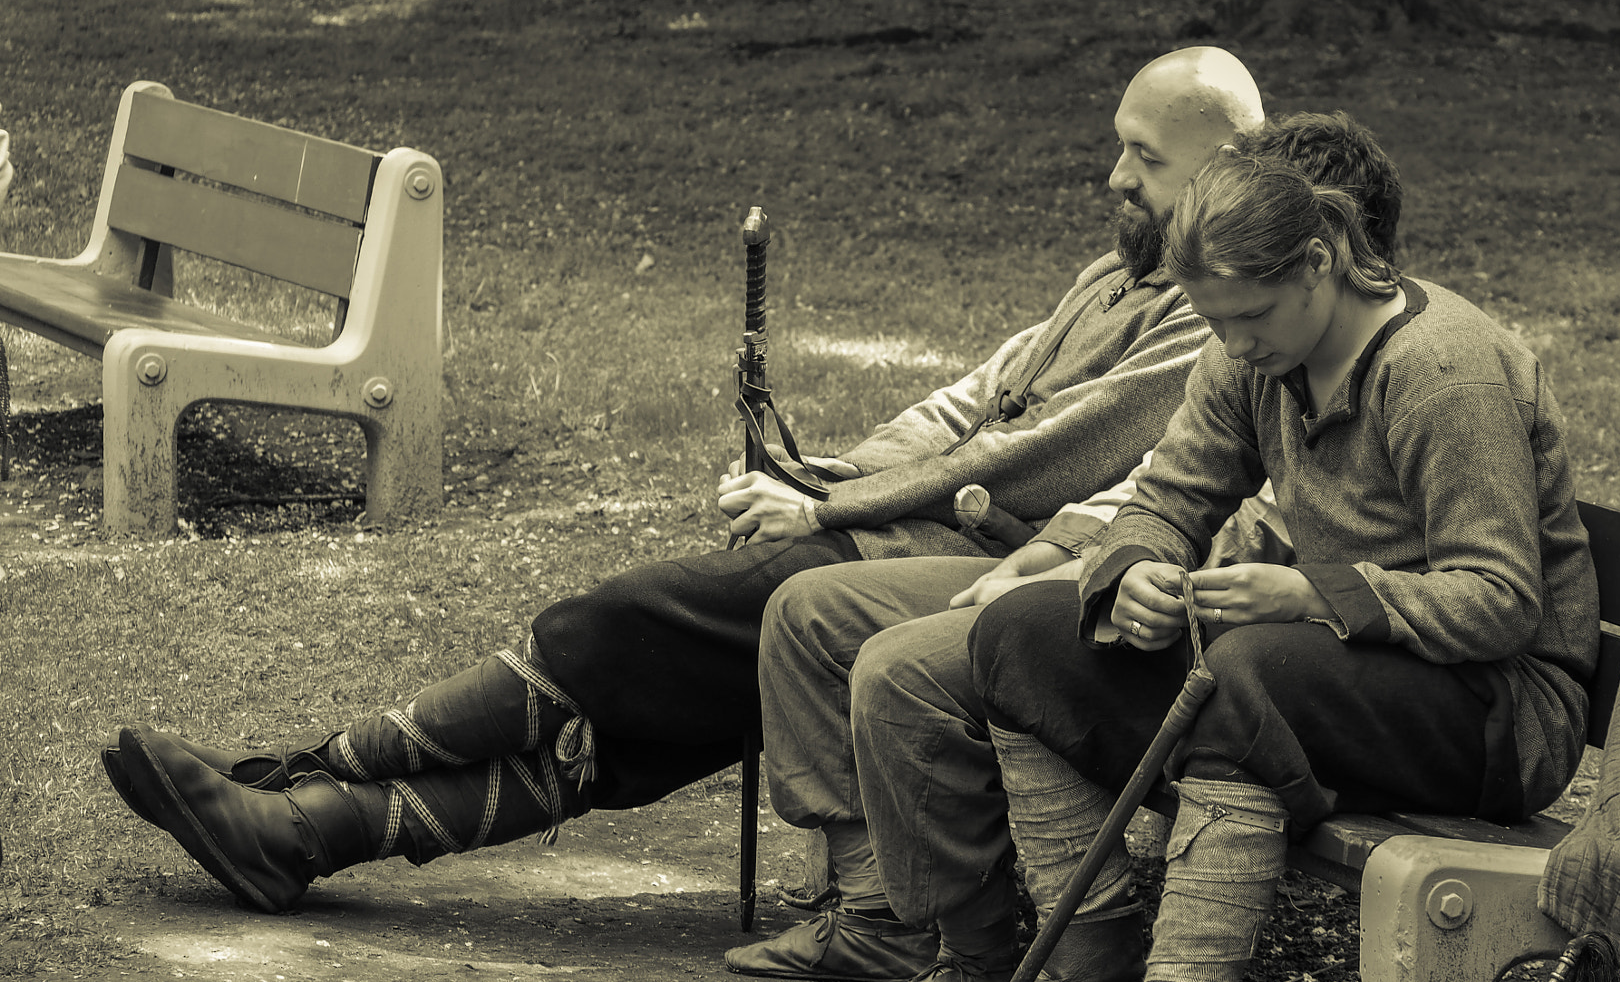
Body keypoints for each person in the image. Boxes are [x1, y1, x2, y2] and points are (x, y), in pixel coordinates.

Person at [100, 46, 1263, 920]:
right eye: (1117, 144)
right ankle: (297, 825)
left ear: (1222, 167)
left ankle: (297, 781)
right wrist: (836, 467)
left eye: (1143, 160)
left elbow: (1039, 453)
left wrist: (823, 506)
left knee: (612, 630)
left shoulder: (1205, 317)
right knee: (651, 722)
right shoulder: (1111, 276)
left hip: (987, 568)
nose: (1113, 176)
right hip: (902, 535)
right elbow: (969, 399)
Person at [863, 124, 1602, 982]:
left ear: (1320, 262)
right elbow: (1159, 502)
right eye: (1215, 319)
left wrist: (1310, 592)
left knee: (1253, 670)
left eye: (1250, 316)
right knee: (1022, 635)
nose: (1235, 342)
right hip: (1327, 686)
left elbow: (1498, 604)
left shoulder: (1444, 372)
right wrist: (1137, 574)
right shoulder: (1245, 353)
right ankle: (1081, 981)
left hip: (1495, 711)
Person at [728, 114, 1395, 982]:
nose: (1118, 177)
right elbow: (1160, 487)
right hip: (1154, 601)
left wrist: (1085, 559)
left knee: (951, 656)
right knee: (803, 605)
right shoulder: (1218, 330)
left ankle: (1032, 975)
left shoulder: (1415, 369)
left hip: (1300, 668)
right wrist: (1117, 559)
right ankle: (908, 922)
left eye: (1148, 156)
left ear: (1319, 253)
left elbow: (1468, 589)